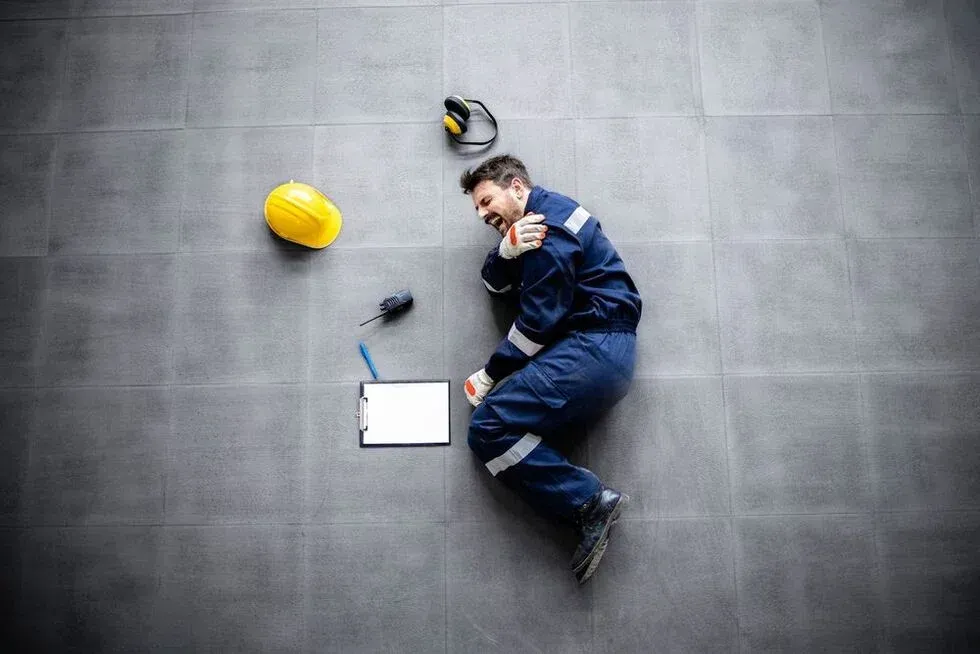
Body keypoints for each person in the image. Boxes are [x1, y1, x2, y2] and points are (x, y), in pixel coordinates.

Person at [460, 154, 642, 584]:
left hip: (593, 350)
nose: (484, 213)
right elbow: (495, 284)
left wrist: (489, 375)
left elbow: (536, 326)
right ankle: (587, 500)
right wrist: (505, 251)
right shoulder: (536, 224)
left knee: (488, 427)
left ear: (517, 188)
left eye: (487, 201)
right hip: (596, 354)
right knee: (493, 428)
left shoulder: (548, 232)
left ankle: (589, 501)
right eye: (479, 209)